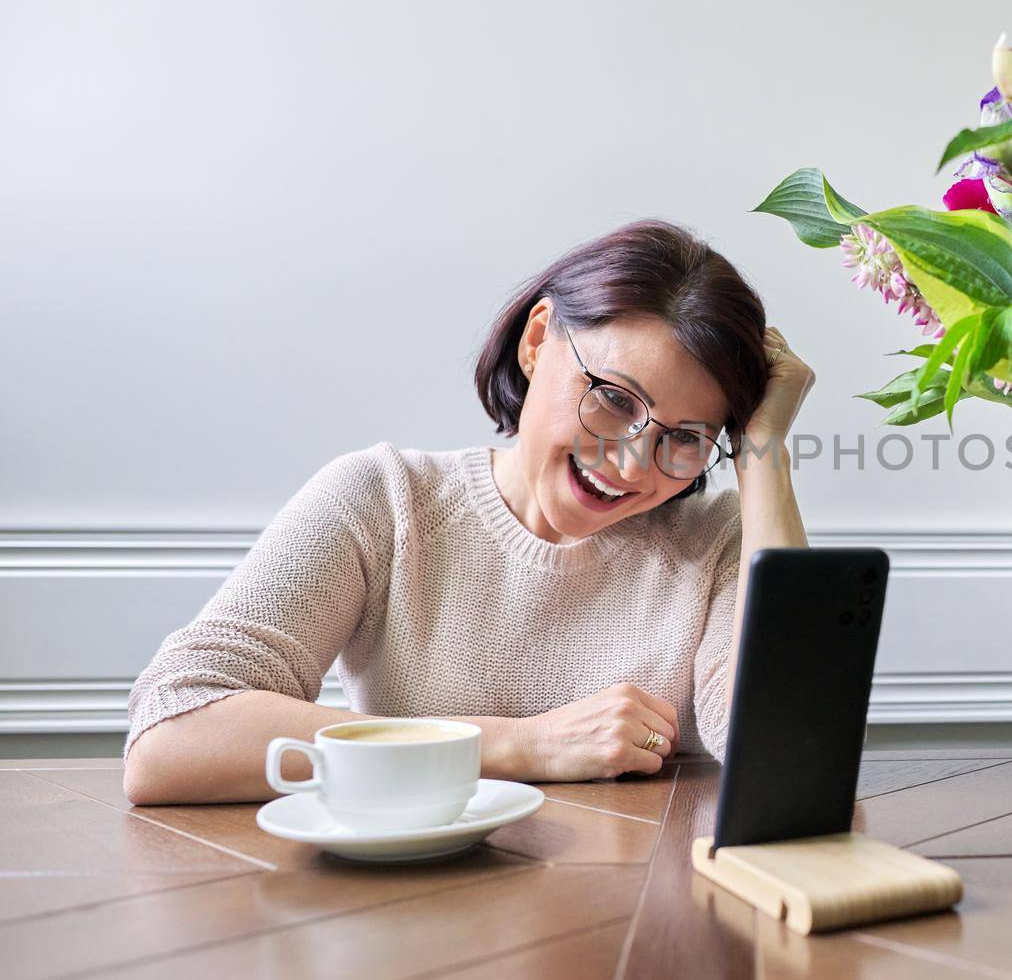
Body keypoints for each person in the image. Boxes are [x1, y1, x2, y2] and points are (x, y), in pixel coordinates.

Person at [122, 220, 813, 804]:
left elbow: (787, 762)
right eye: (613, 397)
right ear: (538, 340)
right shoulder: (385, 501)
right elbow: (170, 736)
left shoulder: (722, 543)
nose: (632, 464)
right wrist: (520, 744)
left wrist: (765, 451)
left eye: (684, 439)